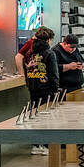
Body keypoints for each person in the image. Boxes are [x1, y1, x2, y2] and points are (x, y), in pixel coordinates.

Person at [16, 26, 60, 155]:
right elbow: (53, 74)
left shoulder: (30, 53)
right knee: (47, 119)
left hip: (33, 89)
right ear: (48, 40)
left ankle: (36, 145)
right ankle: (45, 145)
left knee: (34, 117)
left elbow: (25, 67)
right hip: (47, 91)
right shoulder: (50, 53)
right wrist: (55, 89)